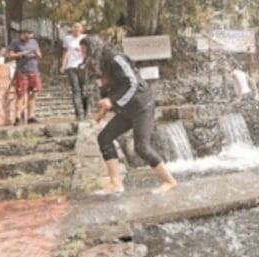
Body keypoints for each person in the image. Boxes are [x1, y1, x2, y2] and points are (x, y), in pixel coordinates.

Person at [80, 34, 177, 195]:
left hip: (141, 106)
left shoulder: (114, 59)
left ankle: (169, 180)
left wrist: (112, 101)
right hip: (125, 109)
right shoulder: (100, 65)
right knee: (104, 138)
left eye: (86, 52)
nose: (84, 56)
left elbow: (132, 83)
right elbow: (106, 90)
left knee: (141, 147)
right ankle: (115, 182)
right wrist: (102, 111)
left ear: (94, 49)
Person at [9, 28, 42, 124]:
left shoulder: (34, 42)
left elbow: (40, 55)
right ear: (22, 34)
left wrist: (37, 53)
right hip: (22, 71)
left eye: (30, 35)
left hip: (33, 70)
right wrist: (22, 53)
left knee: (33, 94)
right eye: (26, 35)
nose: (28, 37)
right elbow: (11, 55)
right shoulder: (16, 42)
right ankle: (18, 117)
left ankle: (31, 116)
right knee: (21, 94)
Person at [60, 22, 89, 121]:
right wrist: (63, 65)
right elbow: (65, 52)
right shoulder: (67, 39)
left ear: (81, 29)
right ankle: (78, 114)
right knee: (76, 90)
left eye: (78, 27)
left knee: (84, 90)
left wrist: (81, 51)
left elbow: (90, 52)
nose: (76, 29)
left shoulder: (85, 38)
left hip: (83, 66)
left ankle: (85, 111)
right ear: (72, 28)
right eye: (74, 27)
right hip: (71, 66)